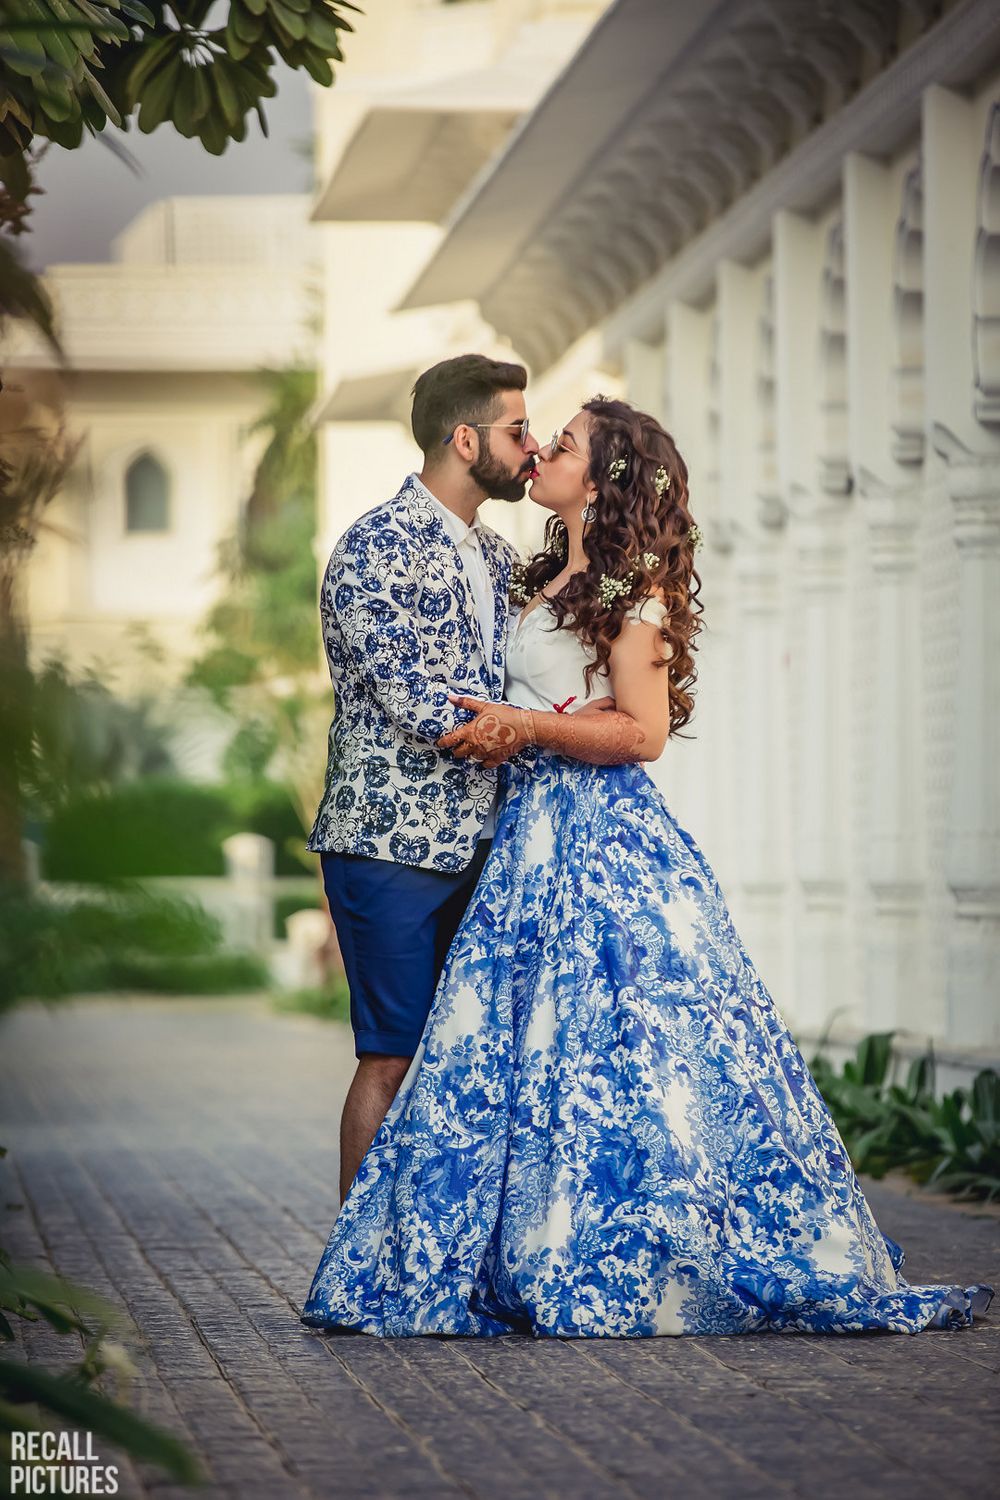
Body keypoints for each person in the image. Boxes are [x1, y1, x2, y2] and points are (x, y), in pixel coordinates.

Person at [301, 396, 993, 1338]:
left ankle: (623, 1242)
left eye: (568, 443)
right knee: (529, 1054)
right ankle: (479, 1247)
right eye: (539, 435)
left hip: (598, 838)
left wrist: (525, 726)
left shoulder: (635, 596)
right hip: (520, 839)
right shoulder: (533, 576)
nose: (544, 447)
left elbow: (645, 734)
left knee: (623, 1044)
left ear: (604, 480)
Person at [306, 353, 543, 1203]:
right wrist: (555, 735)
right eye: (519, 431)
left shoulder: (498, 553)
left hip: (488, 844)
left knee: (468, 1055)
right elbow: (421, 703)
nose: (533, 448)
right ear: (466, 437)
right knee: (392, 1052)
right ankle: (357, 1268)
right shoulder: (374, 547)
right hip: (388, 846)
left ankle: (441, 1260)